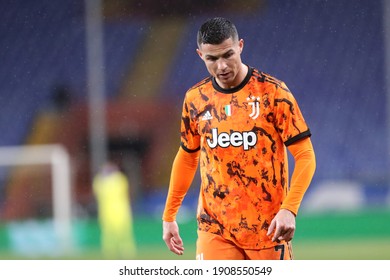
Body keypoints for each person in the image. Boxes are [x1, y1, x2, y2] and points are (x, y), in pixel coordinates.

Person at [162, 17, 316, 260]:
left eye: (228, 55)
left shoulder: (273, 93)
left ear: (241, 46)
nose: (221, 66)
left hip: (268, 229)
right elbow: (187, 157)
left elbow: (305, 156)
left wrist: (289, 209)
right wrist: (169, 215)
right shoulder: (195, 99)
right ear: (200, 55)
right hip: (215, 228)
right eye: (212, 58)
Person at [93, 161, 136, 259]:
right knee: (109, 234)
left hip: (119, 210)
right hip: (108, 211)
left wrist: (105, 177)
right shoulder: (104, 181)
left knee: (123, 232)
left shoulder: (118, 179)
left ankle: (126, 251)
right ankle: (110, 252)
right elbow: (97, 189)